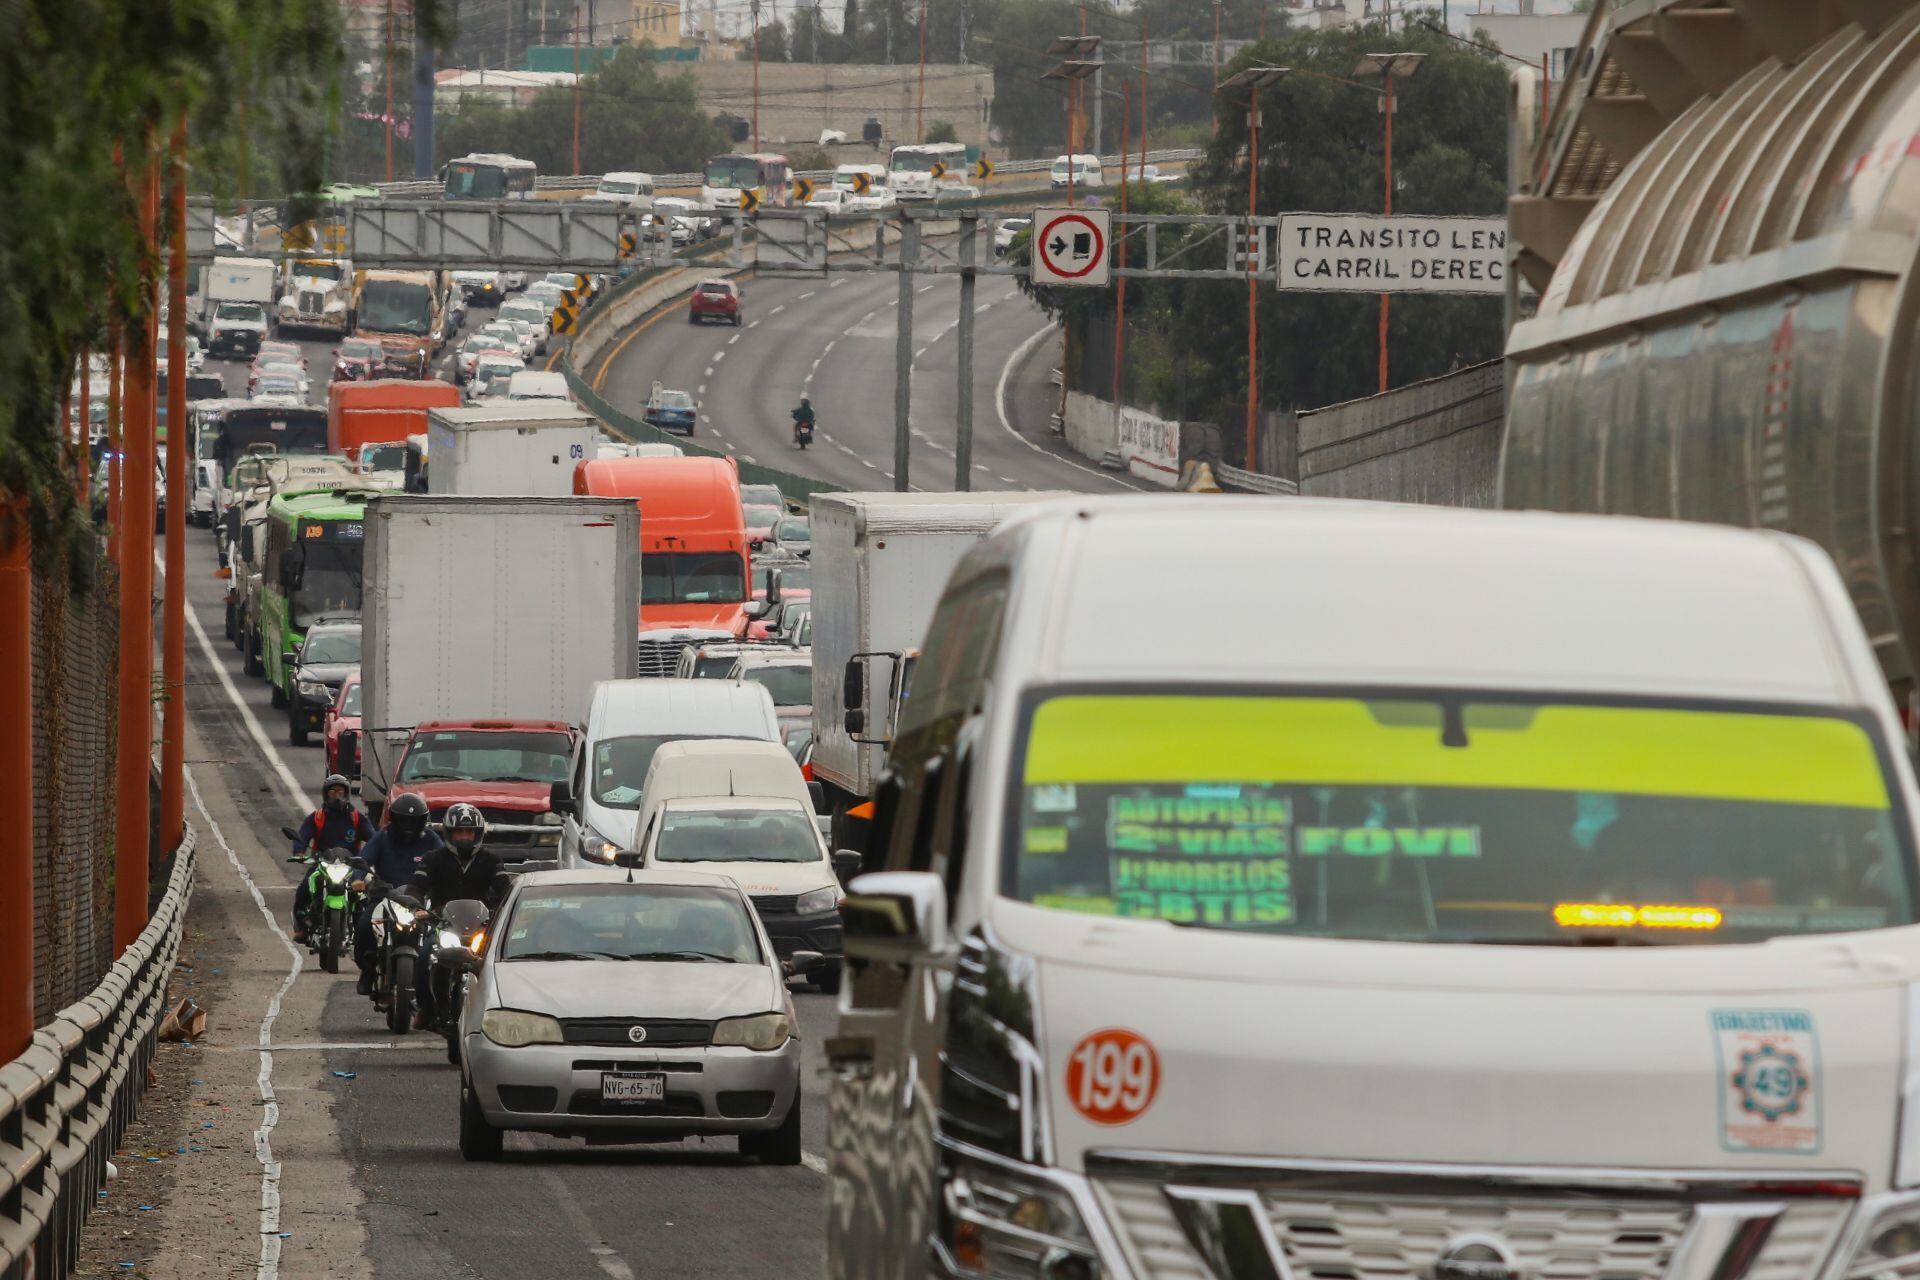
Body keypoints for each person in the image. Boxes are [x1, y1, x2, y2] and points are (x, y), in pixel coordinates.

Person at [406, 803, 508, 1030]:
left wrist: (502, 911)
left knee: (500, 964)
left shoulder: (491, 860)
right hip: (444, 925)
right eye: (459, 832)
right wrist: (415, 907)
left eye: (469, 832)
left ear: (478, 834)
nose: (464, 837)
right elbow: (416, 887)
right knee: (423, 958)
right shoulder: (433, 858)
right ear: (449, 834)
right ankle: (426, 1008)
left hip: (481, 927)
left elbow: (505, 890)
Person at [351, 792, 443, 995]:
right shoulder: (382, 837)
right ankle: (367, 971)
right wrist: (357, 879)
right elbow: (364, 859)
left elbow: (445, 861)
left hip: (421, 902)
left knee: (440, 935)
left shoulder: (431, 839)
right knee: (365, 926)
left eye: (414, 821)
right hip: (384, 897)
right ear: (394, 819)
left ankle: (435, 981)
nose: (408, 826)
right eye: (404, 821)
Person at [289, 774, 373, 942]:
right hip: (322, 863)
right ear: (325, 795)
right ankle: (303, 925)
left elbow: (373, 837)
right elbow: (303, 835)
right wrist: (299, 852)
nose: (337, 795)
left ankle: (364, 929)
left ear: (347, 794)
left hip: (351, 866)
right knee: (304, 888)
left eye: (340, 792)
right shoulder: (317, 817)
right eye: (333, 792)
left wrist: (374, 855)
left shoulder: (356, 818)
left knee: (368, 892)